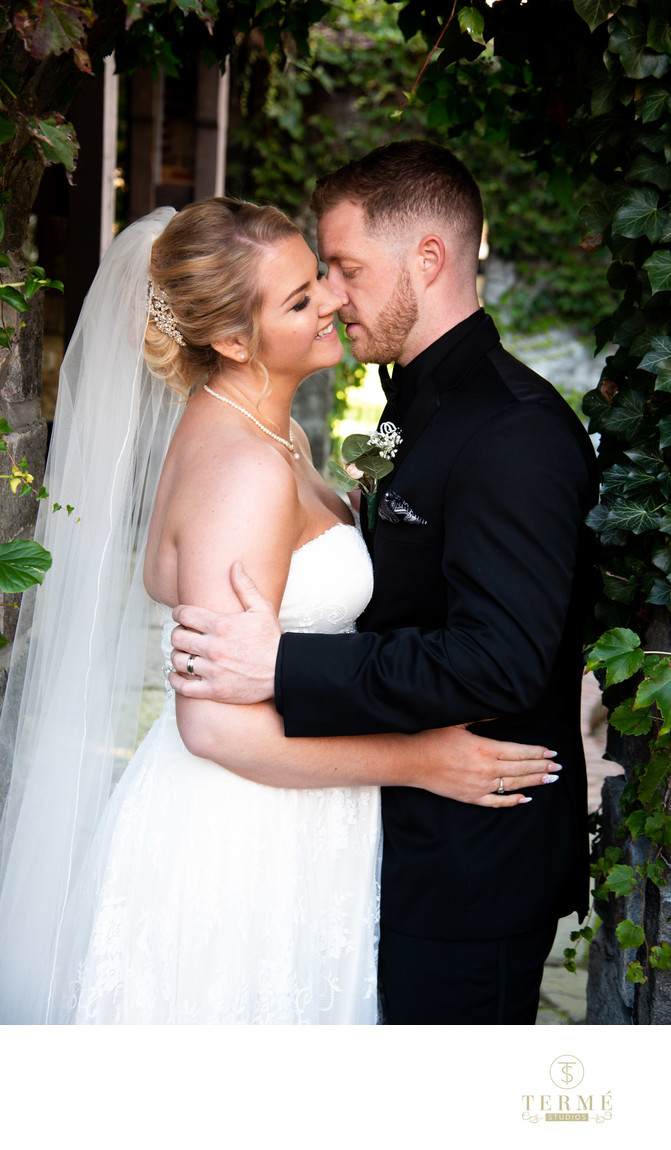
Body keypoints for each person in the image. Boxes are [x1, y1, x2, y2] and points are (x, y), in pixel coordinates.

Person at [0, 197, 555, 1025]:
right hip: (243, 827)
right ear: (231, 340)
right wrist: (420, 761)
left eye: (323, 276)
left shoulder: (268, 432)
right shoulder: (246, 468)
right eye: (301, 297)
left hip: (288, 804)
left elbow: (166, 571)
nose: (331, 298)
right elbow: (214, 728)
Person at [169, 142, 600, 1025]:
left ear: (429, 260)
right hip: (391, 842)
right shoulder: (413, 402)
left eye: (346, 267)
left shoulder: (513, 432)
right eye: (320, 273)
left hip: (471, 867)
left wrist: (282, 668)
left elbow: (502, 663)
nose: (331, 292)